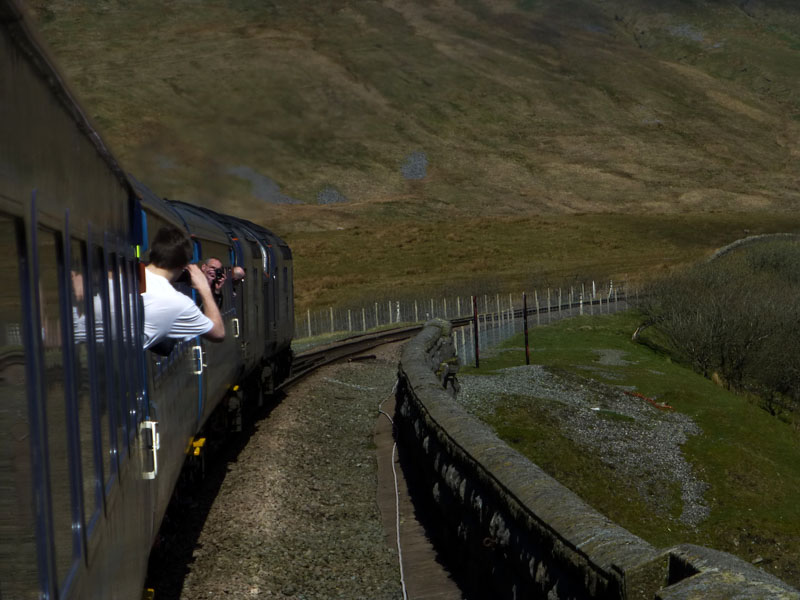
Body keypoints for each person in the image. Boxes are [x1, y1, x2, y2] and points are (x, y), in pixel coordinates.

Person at [142, 226, 225, 351]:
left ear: (152, 253)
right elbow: (218, 333)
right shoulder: (176, 302)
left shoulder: (123, 278)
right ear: (184, 265)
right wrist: (205, 289)